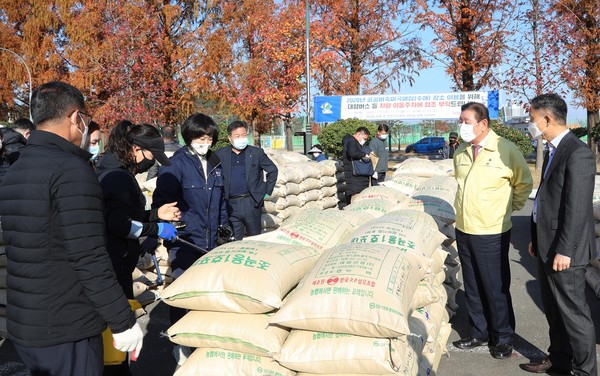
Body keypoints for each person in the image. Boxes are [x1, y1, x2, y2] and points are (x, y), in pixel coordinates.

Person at [0, 81, 143, 376]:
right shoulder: (71, 171)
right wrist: (122, 321)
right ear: (76, 118)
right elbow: (89, 256)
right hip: (67, 325)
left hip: (27, 324)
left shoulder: (17, 168)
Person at [520, 94, 597, 376]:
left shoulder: (577, 153)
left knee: (574, 315)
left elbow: (576, 209)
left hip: (567, 251)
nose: (531, 123)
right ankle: (560, 359)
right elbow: (547, 200)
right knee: (554, 311)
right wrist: (536, 237)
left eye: (531, 119)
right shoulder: (554, 149)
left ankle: (585, 370)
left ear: (547, 119)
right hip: (546, 245)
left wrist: (566, 249)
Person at [95, 121, 181, 375]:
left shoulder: (117, 172)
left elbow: (124, 214)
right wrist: (157, 229)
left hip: (117, 262)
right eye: (151, 156)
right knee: (117, 334)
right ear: (135, 149)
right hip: (114, 265)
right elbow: (120, 225)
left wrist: (155, 214)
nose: (152, 162)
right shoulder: (117, 178)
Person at [452, 102, 532, 359]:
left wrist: (506, 210)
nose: (461, 126)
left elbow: (523, 184)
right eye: (460, 120)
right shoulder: (461, 152)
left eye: (466, 121)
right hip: (464, 228)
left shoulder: (505, 150)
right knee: (473, 285)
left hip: (492, 231)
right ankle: (479, 332)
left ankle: (503, 337)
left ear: (483, 123)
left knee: (495, 286)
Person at [152, 113, 229, 366]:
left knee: (207, 295)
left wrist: (225, 229)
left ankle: (205, 341)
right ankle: (180, 344)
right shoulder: (176, 164)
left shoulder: (217, 163)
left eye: (208, 138)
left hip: (211, 241)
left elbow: (222, 203)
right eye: (199, 137)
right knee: (184, 293)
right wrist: (171, 227)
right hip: (184, 239)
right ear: (188, 137)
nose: (203, 142)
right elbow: (161, 203)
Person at [215, 120, 278, 240]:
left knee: (254, 239)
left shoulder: (256, 153)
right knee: (234, 240)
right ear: (230, 138)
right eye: (237, 136)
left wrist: (265, 191)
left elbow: (272, 170)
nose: (241, 138)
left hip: (251, 202)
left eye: (244, 135)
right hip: (230, 204)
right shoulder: (221, 154)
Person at [342, 126, 372, 204]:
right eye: (364, 139)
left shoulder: (353, 142)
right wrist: (364, 154)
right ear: (358, 134)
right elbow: (353, 153)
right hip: (354, 176)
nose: (364, 141)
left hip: (356, 175)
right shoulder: (351, 141)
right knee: (356, 197)